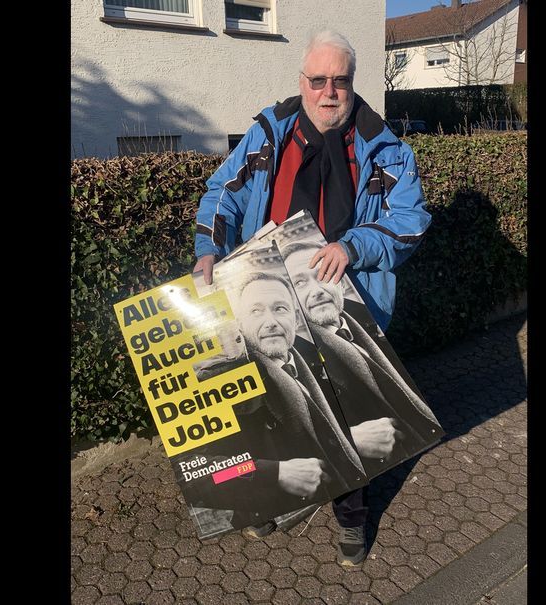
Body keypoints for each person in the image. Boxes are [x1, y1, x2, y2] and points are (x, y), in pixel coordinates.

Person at [192, 30, 431, 566]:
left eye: (340, 80)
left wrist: (353, 246)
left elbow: (410, 222)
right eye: (318, 80)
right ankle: (277, 498)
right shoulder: (266, 134)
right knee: (273, 401)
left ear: (353, 82)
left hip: (345, 302)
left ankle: (352, 517)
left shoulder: (387, 149)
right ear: (302, 81)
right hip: (269, 296)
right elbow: (221, 194)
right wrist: (208, 249)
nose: (329, 91)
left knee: (349, 413)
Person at [179, 272, 366, 531]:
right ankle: (258, 516)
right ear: (240, 323)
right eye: (256, 311)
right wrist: (270, 473)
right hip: (266, 501)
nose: (270, 322)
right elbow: (197, 476)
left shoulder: (328, 353)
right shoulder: (219, 381)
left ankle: (352, 522)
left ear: (296, 317)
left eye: (280, 309)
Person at [282, 240, 441, 477]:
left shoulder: (365, 323)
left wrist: (353, 248)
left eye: (325, 270)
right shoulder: (292, 360)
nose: (317, 290)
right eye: (300, 282)